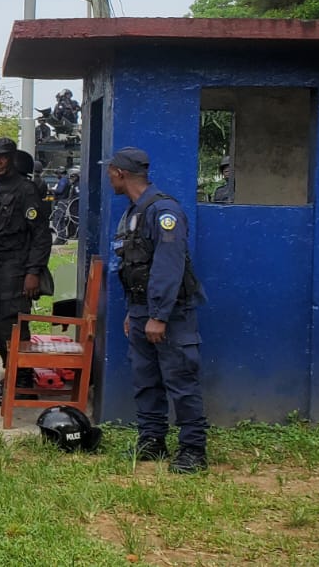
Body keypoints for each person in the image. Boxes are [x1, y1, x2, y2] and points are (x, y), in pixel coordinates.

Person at [110, 147, 208, 474]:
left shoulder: (164, 211)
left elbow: (169, 266)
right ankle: (152, 440)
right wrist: (134, 311)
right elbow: (134, 266)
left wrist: (159, 315)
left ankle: (193, 449)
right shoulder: (134, 211)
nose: (109, 177)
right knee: (146, 380)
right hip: (141, 311)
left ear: (121, 174)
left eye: (110, 171)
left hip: (169, 314)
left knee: (180, 380)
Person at [0, 138, 53, 406]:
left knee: (14, 327)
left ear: (11, 158)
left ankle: (21, 380)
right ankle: (12, 375)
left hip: (16, 267)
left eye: (1, 157)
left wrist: (33, 271)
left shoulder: (26, 190)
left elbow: (41, 236)